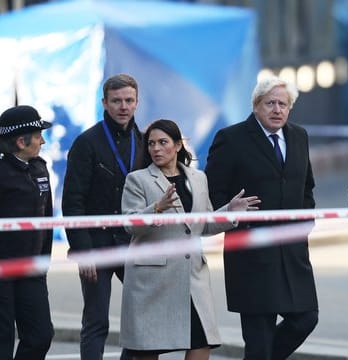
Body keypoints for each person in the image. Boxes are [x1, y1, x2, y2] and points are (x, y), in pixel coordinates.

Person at [119, 119, 260, 360]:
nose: (156, 149)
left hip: (191, 277)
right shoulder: (137, 179)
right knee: (148, 348)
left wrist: (229, 212)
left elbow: (202, 224)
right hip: (152, 280)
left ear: (177, 146)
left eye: (163, 142)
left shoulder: (197, 178)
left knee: (201, 343)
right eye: (151, 143)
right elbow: (130, 225)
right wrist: (156, 209)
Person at [205, 76, 319, 360]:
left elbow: (307, 186)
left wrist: (305, 221)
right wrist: (230, 210)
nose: (277, 109)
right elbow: (213, 190)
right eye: (270, 103)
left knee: (306, 318)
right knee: (259, 337)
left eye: (283, 104)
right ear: (256, 105)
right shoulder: (231, 139)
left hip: (291, 250)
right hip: (251, 253)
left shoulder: (298, 136)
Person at [62, 73, 145, 360]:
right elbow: (72, 201)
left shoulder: (145, 140)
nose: (123, 106)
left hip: (132, 244)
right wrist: (83, 250)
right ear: (104, 103)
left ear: (137, 103)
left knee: (142, 316)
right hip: (96, 244)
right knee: (96, 320)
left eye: (129, 100)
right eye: (117, 101)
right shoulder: (87, 142)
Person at [0, 105, 54, 360]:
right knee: (2, 341)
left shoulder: (40, 168)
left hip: (31, 269)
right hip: (2, 270)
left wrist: (43, 260)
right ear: (21, 141)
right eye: (38, 135)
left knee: (41, 335)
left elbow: (47, 219)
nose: (43, 140)